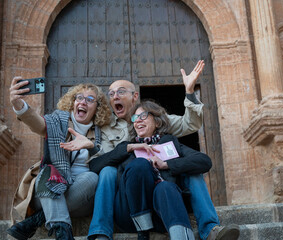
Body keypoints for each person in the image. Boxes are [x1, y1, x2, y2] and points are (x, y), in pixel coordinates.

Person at [79, 60, 239, 240]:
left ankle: (210, 229)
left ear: (134, 96)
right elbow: (99, 163)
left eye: (121, 91)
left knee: (185, 177)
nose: (115, 96)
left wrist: (189, 92)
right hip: (125, 192)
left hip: (161, 193)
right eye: (111, 93)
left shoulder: (164, 135)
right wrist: (129, 147)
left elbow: (192, 125)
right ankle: (101, 230)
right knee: (110, 171)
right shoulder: (105, 128)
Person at [88, 100, 213, 240]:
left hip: (163, 213)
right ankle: (143, 228)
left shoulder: (169, 142)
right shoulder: (126, 147)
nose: (137, 121)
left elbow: (204, 161)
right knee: (140, 164)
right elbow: (94, 166)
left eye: (143, 116)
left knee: (165, 186)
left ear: (157, 122)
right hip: (129, 216)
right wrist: (130, 147)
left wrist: (166, 164)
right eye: (135, 118)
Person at [7, 79, 111, 240]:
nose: (83, 102)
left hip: (81, 198)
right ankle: (63, 234)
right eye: (79, 98)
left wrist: (91, 147)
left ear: (97, 108)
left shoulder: (103, 132)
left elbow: (108, 163)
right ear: (73, 102)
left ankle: (38, 219)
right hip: (45, 191)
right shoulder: (57, 121)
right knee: (48, 174)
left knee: (91, 178)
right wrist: (19, 106)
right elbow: (37, 123)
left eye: (90, 99)